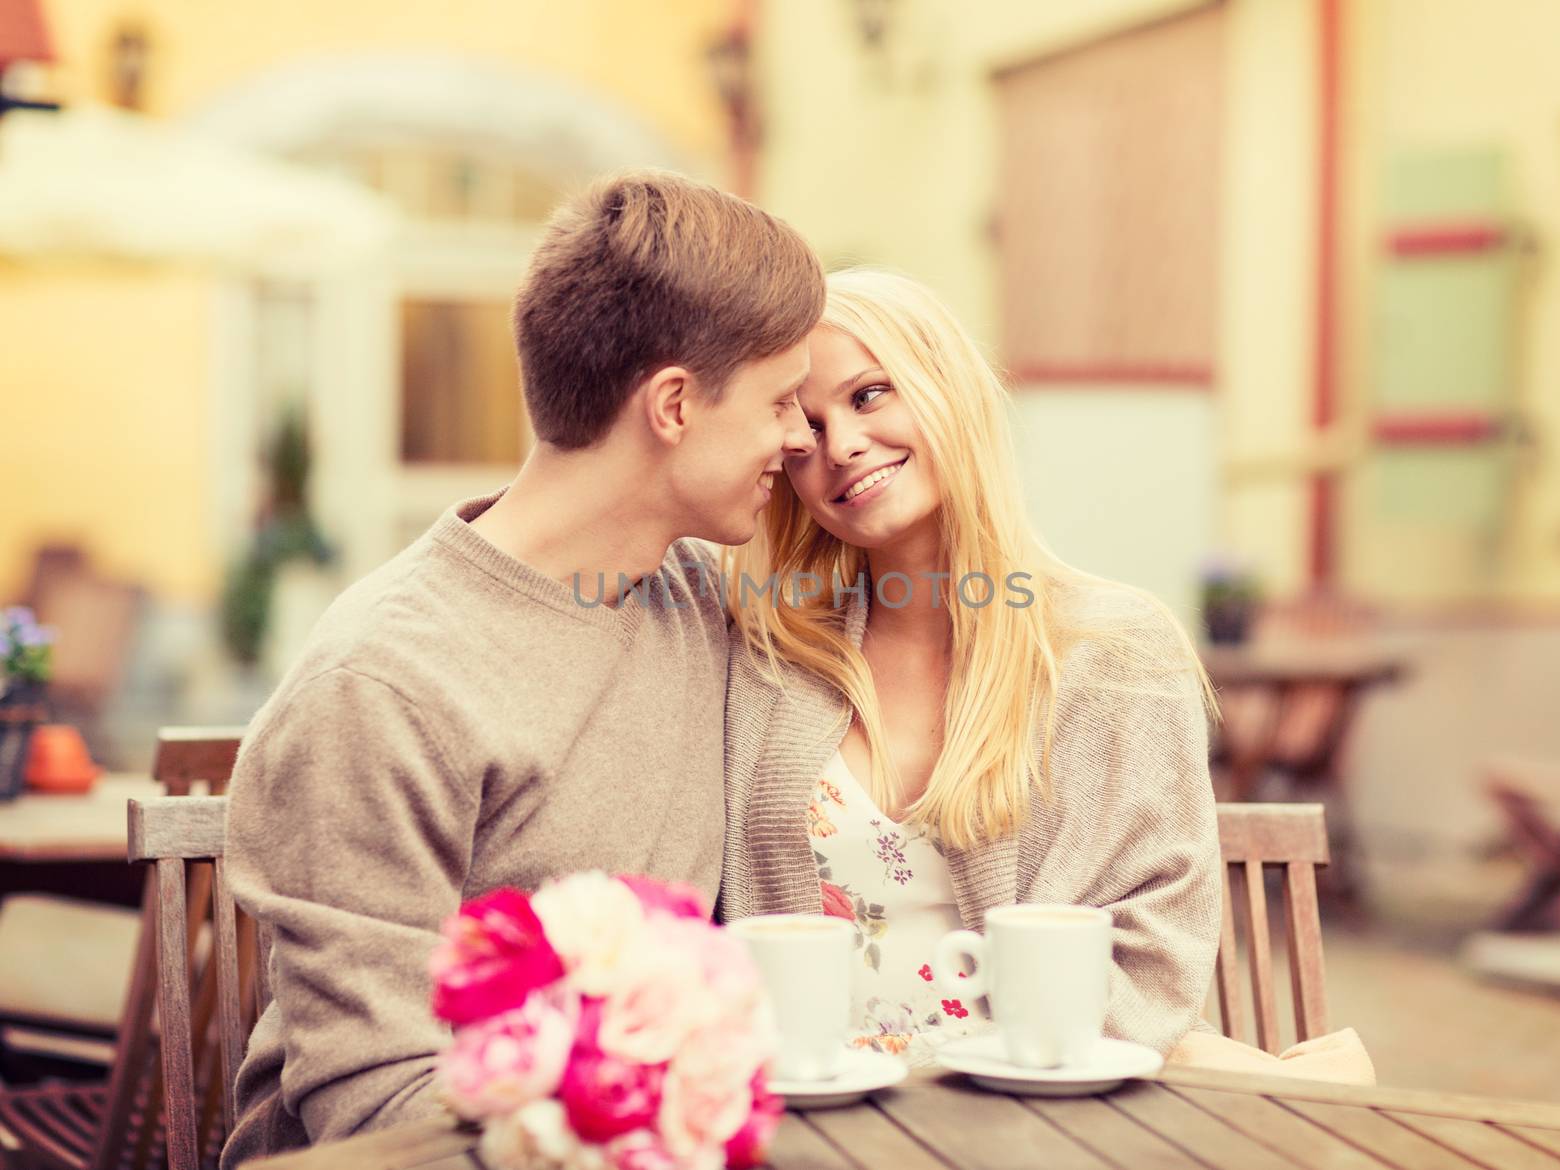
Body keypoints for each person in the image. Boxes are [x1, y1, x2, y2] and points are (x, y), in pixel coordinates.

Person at [221, 170, 822, 1166]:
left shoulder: (698, 599)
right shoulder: (385, 682)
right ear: (674, 404)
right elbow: (378, 1103)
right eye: (782, 403)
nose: (800, 440)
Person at [719, 268, 1221, 1064]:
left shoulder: (1118, 654)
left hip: (1022, 1113)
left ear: (945, 389)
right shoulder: (768, 663)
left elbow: (1158, 955)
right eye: (805, 429)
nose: (841, 446)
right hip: (809, 1113)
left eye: (870, 394)